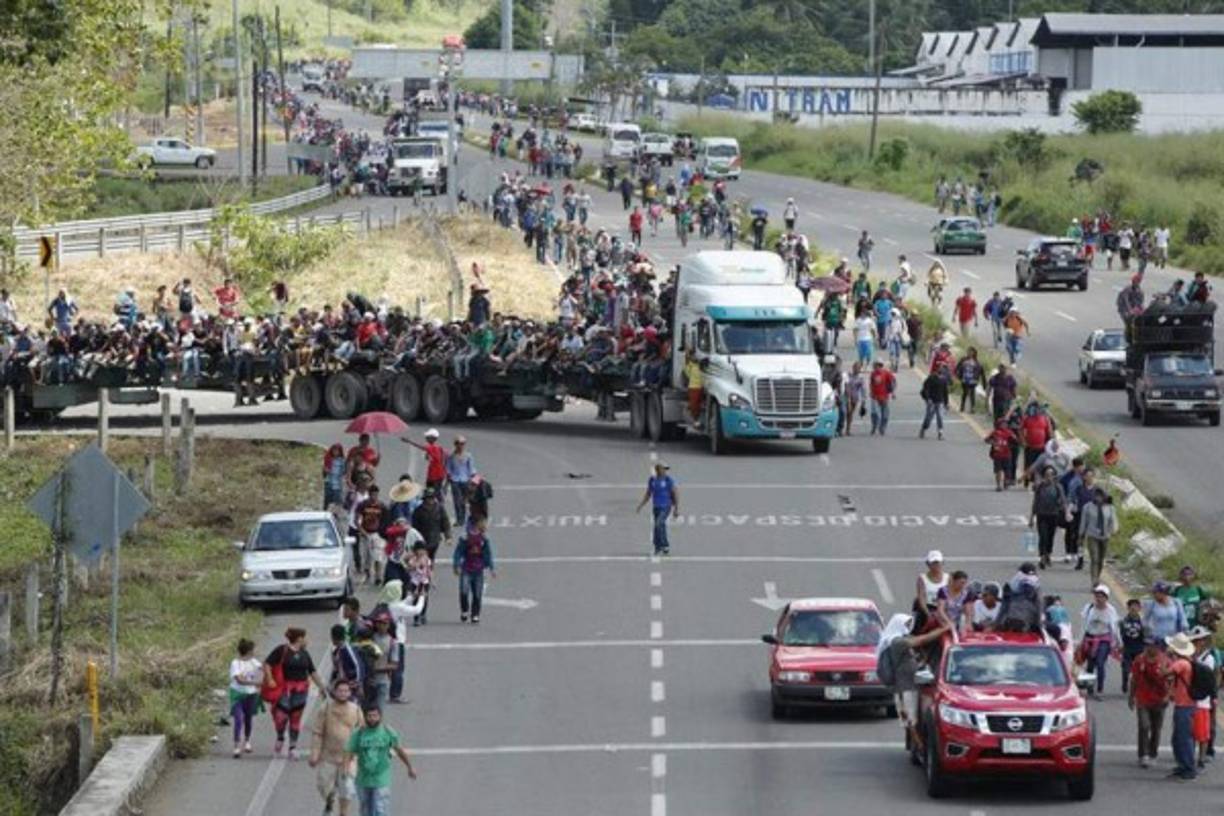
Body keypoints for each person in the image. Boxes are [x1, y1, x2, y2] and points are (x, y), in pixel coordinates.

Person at [877, 614, 951, 752]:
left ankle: (915, 745)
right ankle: (919, 746)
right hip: (904, 688)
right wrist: (944, 629)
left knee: (913, 718)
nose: (908, 627)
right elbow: (921, 640)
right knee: (910, 719)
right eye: (906, 624)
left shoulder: (900, 639)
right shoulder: (896, 642)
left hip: (911, 685)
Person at [263, 627, 328, 760]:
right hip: (284, 688)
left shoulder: (305, 654)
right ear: (299, 639)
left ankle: (292, 747)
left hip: (301, 689)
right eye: (305, 638)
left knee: (295, 718)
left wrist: (321, 687)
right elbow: (267, 664)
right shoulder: (282, 650)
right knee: (281, 716)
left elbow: (312, 671)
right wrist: (269, 678)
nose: (307, 640)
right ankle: (280, 736)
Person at [344, 704, 417, 816]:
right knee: (365, 810)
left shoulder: (387, 732)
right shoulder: (358, 733)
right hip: (363, 779)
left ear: (380, 716)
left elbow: (399, 750)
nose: (372, 719)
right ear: (365, 717)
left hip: (381, 778)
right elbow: (349, 752)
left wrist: (410, 767)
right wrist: (346, 769)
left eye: (375, 716)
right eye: (369, 716)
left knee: (380, 809)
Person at [310, 680, 363, 816]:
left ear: (350, 693)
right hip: (328, 757)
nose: (343, 694)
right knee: (323, 785)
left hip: (348, 759)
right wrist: (315, 753)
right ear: (334, 692)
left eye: (346, 691)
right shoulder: (325, 708)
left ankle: (343, 813)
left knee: (347, 788)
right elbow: (317, 732)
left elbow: (362, 732)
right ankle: (330, 801)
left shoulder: (355, 709)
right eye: (340, 691)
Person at [1130, 635, 1171, 768]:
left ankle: (1153, 753)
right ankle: (1143, 754)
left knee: (1156, 729)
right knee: (1144, 726)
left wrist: (1168, 696)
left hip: (1159, 700)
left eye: (1151, 645)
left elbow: (1172, 681)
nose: (1148, 648)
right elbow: (1134, 679)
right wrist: (1131, 697)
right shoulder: (1139, 660)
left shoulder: (1165, 661)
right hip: (1143, 699)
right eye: (1147, 645)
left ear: (1158, 647)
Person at [1165, 632, 1200, 780]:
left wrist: (1168, 657)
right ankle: (1183, 765)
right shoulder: (1188, 662)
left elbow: (1165, 672)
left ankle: (1188, 768)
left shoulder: (1181, 663)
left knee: (1183, 738)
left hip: (1184, 706)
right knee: (1180, 737)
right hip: (1187, 704)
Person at [1078, 585, 1121, 698]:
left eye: (1102, 596)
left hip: (1103, 640)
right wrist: (1080, 641)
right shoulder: (1089, 608)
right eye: (1097, 596)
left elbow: (1114, 628)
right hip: (1090, 639)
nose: (1099, 599)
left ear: (1106, 598)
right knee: (1090, 665)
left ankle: (1100, 689)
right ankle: (1090, 688)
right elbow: (1084, 625)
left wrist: (1118, 642)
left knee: (1100, 663)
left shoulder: (1111, 610)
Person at [453, 517, 495, 623]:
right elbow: (458, 552)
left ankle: (475, 614)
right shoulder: (465, 537)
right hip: (466, 568)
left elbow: (488, 553)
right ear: (476, 524)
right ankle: (464, 610)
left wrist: (491, 568)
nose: (485, 525)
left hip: (478, 569)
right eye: (483, 523)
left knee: (477, 593)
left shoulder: (484, 539)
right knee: (464, 591)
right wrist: (456, 565)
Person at [229, 639, 263, 758]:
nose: (254, 652)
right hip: (237, 694)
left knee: (248, 718)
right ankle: (236, 745)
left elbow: (264, 668)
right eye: (253, 650)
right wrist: (256, 683)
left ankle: (247, 741)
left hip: (251, 694)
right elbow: (239, 680)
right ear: (249, 651)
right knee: (239, 719)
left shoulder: (254, 662)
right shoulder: (235, 663)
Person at [1078, 488, 1118, 586]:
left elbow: (1113, 521)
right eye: (1096, 496)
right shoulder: (1087, 507)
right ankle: (1094, 580)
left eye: (1100, 496)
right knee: (1094, 559)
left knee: (1101, 559)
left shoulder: (1110, 508)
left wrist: (1114, 531)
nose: (1098, 498)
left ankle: (1098, 576)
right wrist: (1081, 535)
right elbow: (1083, 522)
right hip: (1092, 536)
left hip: (1105, 536)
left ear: (1104, 497)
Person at [1029, 466, 1067, 570]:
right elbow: (1035, 501)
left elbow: (1063, 501)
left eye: (1051, 475)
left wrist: (1066, 512)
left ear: (1054, 476)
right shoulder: (1040, 487)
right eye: (1047, 475)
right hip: (1042, 515)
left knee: (1050, 536)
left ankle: (1048, 554)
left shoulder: (1058, 487)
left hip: (1053, 515)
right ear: (1044, 476)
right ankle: (1042, 557)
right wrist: (1031, 517)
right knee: (1043, 536)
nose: (1049, 477)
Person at [637, 462, 678, 556]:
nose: (665, 471)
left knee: (659, 523)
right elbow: (648, 493)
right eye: (664, 469)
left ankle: (665, 544)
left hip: (666, 506)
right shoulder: (652, 480)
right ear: (658, 469)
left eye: (666, 469)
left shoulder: (668, 480)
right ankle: (658, 546)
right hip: (656, 507)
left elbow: (675, 493)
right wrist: (641, 505)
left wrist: (676, 508)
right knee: (658, 526)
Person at [444, 436, 476, 528]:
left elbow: (471, 469)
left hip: (465, 480)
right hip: (455, 480)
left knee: (465, 501)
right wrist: (448, 479)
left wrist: (473, 480)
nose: (460, 446)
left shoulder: (468, 456)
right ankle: (459, 519)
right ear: (455, 445)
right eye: (458, 443)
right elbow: (448, 468)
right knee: (457, 501)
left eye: (462, 444)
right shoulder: (451, 456)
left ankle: (465, 518)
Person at [1119, 598, 1145, 694]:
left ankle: (1137, 687)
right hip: (1127, 648)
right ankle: (1125, 682)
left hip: (1139, 648)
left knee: (1139, 669)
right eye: (1131, 607)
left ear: (1139, 608)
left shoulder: (1143, 622)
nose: (1133, 608)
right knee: (1126, 668)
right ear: (1128, 608)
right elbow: (1119, 635)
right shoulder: (1123, 621)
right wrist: (1120, 645)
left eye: (1136, 606)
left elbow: (1146, 635)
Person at [984, 419, 1016, 492]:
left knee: (1007, 470)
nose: (1004, 425)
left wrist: (1011, 443)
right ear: (998, 425)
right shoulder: (995, 432)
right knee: (998, 470)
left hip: (1007, 454)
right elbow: (986, 440)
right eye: (1002, 424)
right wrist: (993, 442)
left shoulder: (1009, 432)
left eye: (1005, 424)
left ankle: (1006, 482)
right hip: (997, 455)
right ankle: (998, 485)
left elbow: (1015, 441)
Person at [919, 364, 948, 440]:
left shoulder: (944, 380)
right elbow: (926, 389)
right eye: (940, 369)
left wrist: (946, 403)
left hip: (940, 401)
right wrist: (928, 399)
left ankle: (940, 433)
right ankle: (924, 428)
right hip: (931, 401)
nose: (941, 370)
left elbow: (945, 392)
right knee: (928, 418)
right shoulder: (931, 378)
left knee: (940, 417)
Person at [915, 550, 948, 614]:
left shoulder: (949, 578)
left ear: (942, 563)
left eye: (937, 562)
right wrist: (928, 614)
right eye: (933, 563)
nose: (936, 565)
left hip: (945, 609)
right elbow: (921, 598)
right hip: (927, 609)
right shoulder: (922, 578)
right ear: (928, 564)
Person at [868, 359, 896, 436]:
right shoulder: (873, 374)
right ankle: (874, 426)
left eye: (876, 365)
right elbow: (871, 383)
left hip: (884, 396)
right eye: (874, 365)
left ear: (880, 365)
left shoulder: (886, 373)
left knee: (885, 414)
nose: (875, 367)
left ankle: (882, 427)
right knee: (874, 413)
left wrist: (893, 392)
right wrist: (871, 391)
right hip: (874, 396)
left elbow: (892, 382)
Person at [954, 348, 982, 413]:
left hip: (973, 379)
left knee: (972, 393)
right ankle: (962, 406)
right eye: (969, 352)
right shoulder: (963, 359)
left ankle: (972, 408)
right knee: (965, 392)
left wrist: (977, 378)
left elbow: (979, 370)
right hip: (964, 379)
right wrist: (957, 375)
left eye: (971, 352)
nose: (970, 353)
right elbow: (957, 367)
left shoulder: (976, 361)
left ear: (974, 353)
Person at [323, 444, 348, 511]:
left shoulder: (342, 461)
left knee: (337, 502)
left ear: (340, 451)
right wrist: (325, 470)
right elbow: (324, 472)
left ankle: (335, 514)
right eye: (334, 450)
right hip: (328, 483)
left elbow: (344, 471)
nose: (335, 452)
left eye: (337, 450)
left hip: (337, 484)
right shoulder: (328, 458)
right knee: (327, 501)